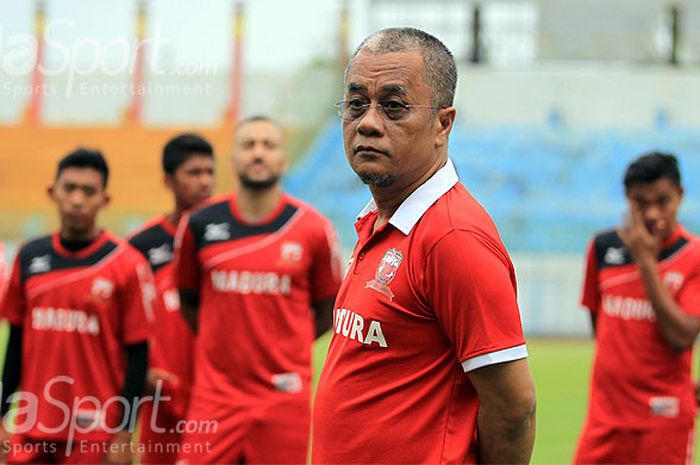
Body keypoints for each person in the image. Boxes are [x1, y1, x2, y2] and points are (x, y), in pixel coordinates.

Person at [312, 27, 537, 464]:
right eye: (356, 104)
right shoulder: (381, 219)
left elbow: (514, 409)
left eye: (393, 106)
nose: (369, 123)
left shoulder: (453, 238)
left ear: (443, 123)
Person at [173, 115, 342, 465]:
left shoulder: (312, 228)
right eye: (249, 145)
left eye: (269, 145)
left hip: (282, 398)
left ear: (284, 159)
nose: (259, 153)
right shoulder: (200, 225)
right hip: (214, 399)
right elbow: (188, 300)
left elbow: (329, 308)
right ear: (233, 159)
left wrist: (287, 345)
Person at [0, 149, 154, 464]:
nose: (77, 199)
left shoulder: (126, 264)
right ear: (52, 193)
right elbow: (16, 341)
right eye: (69, 188)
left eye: (88, 191)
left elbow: (139, 353)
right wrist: (2, 414)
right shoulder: (29, 256)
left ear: (105, 200)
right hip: (32, 428)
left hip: (94, 433)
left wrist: (124, 432)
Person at [574, 152, 700, 465]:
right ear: (628, 199)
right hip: (605, 420)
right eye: (640, 203)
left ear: (680, 196)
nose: (653, 213)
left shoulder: (693, 256)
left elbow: (682, 336)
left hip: (663, 421)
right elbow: (599, 327)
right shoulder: (603, 248)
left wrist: (645, 262)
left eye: (663, 201)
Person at [128, 134, 215, 464]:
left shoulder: (229, 240)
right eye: (193, 173)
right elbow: (121, 323)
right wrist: (141, 374)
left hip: (219, 392)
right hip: (163, 397)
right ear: (168, 180)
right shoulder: (140, 247)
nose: (204, 182)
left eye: (209, 172)